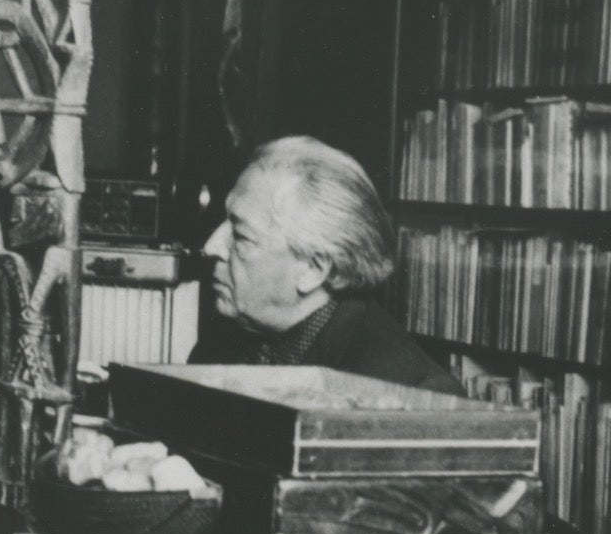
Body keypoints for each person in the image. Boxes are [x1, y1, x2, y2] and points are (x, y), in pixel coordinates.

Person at [193, 135, 462, 395]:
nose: (211, 246)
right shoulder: (220, 342)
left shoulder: (411, 392)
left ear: (313, 268)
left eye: (241, 236)